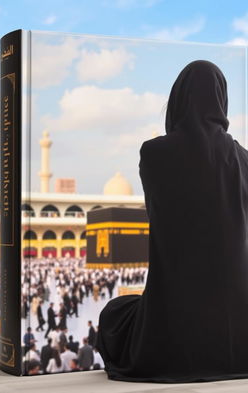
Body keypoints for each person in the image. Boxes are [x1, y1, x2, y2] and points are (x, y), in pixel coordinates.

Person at [96, 60, 248, 383]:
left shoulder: (154, 155)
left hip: (172, 335)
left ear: (178, 98)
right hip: (239, 337)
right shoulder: (244, 160)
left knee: (113, 314)